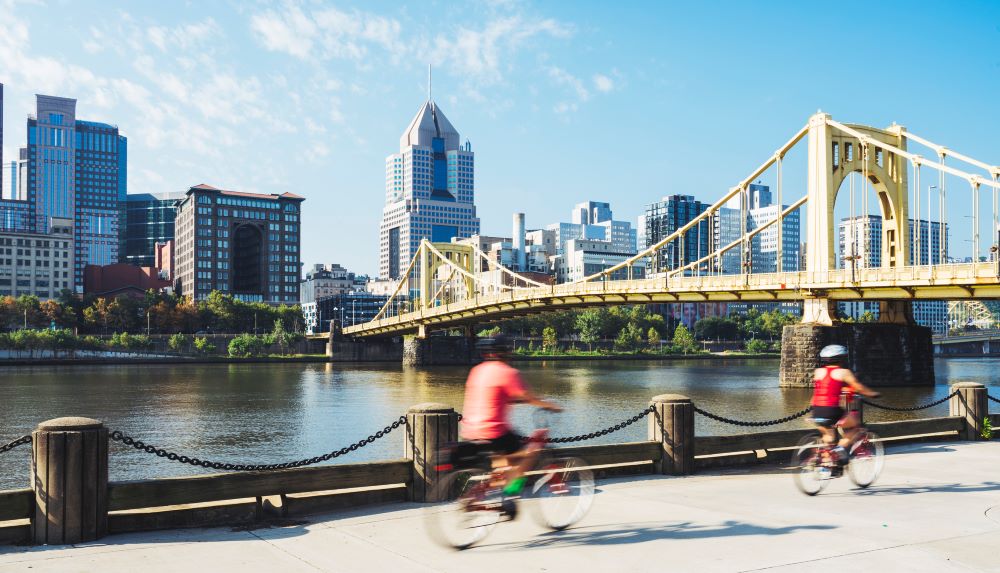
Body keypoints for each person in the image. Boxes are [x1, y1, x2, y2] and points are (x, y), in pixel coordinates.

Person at [460, 334, 561, 505]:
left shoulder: (476, 371)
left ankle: (481, 492)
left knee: (505, 463)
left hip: (469, 430)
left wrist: (511, 399)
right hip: (494, 432)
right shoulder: (507, 372)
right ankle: (510, 495)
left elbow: (493, 395)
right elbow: (528, 397)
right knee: (531, 452)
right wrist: (549, 405)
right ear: (506, 352)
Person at [811, 344, 880, 465]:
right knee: (856, 426)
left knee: (829, 437)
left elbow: (826, 386)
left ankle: (825, 464)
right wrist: (872, 394)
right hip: (831, 410)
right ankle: (840, 450)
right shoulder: (843, 372)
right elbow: (858, 387)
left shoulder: (818, 372)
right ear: (842, 358)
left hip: (816, 410)